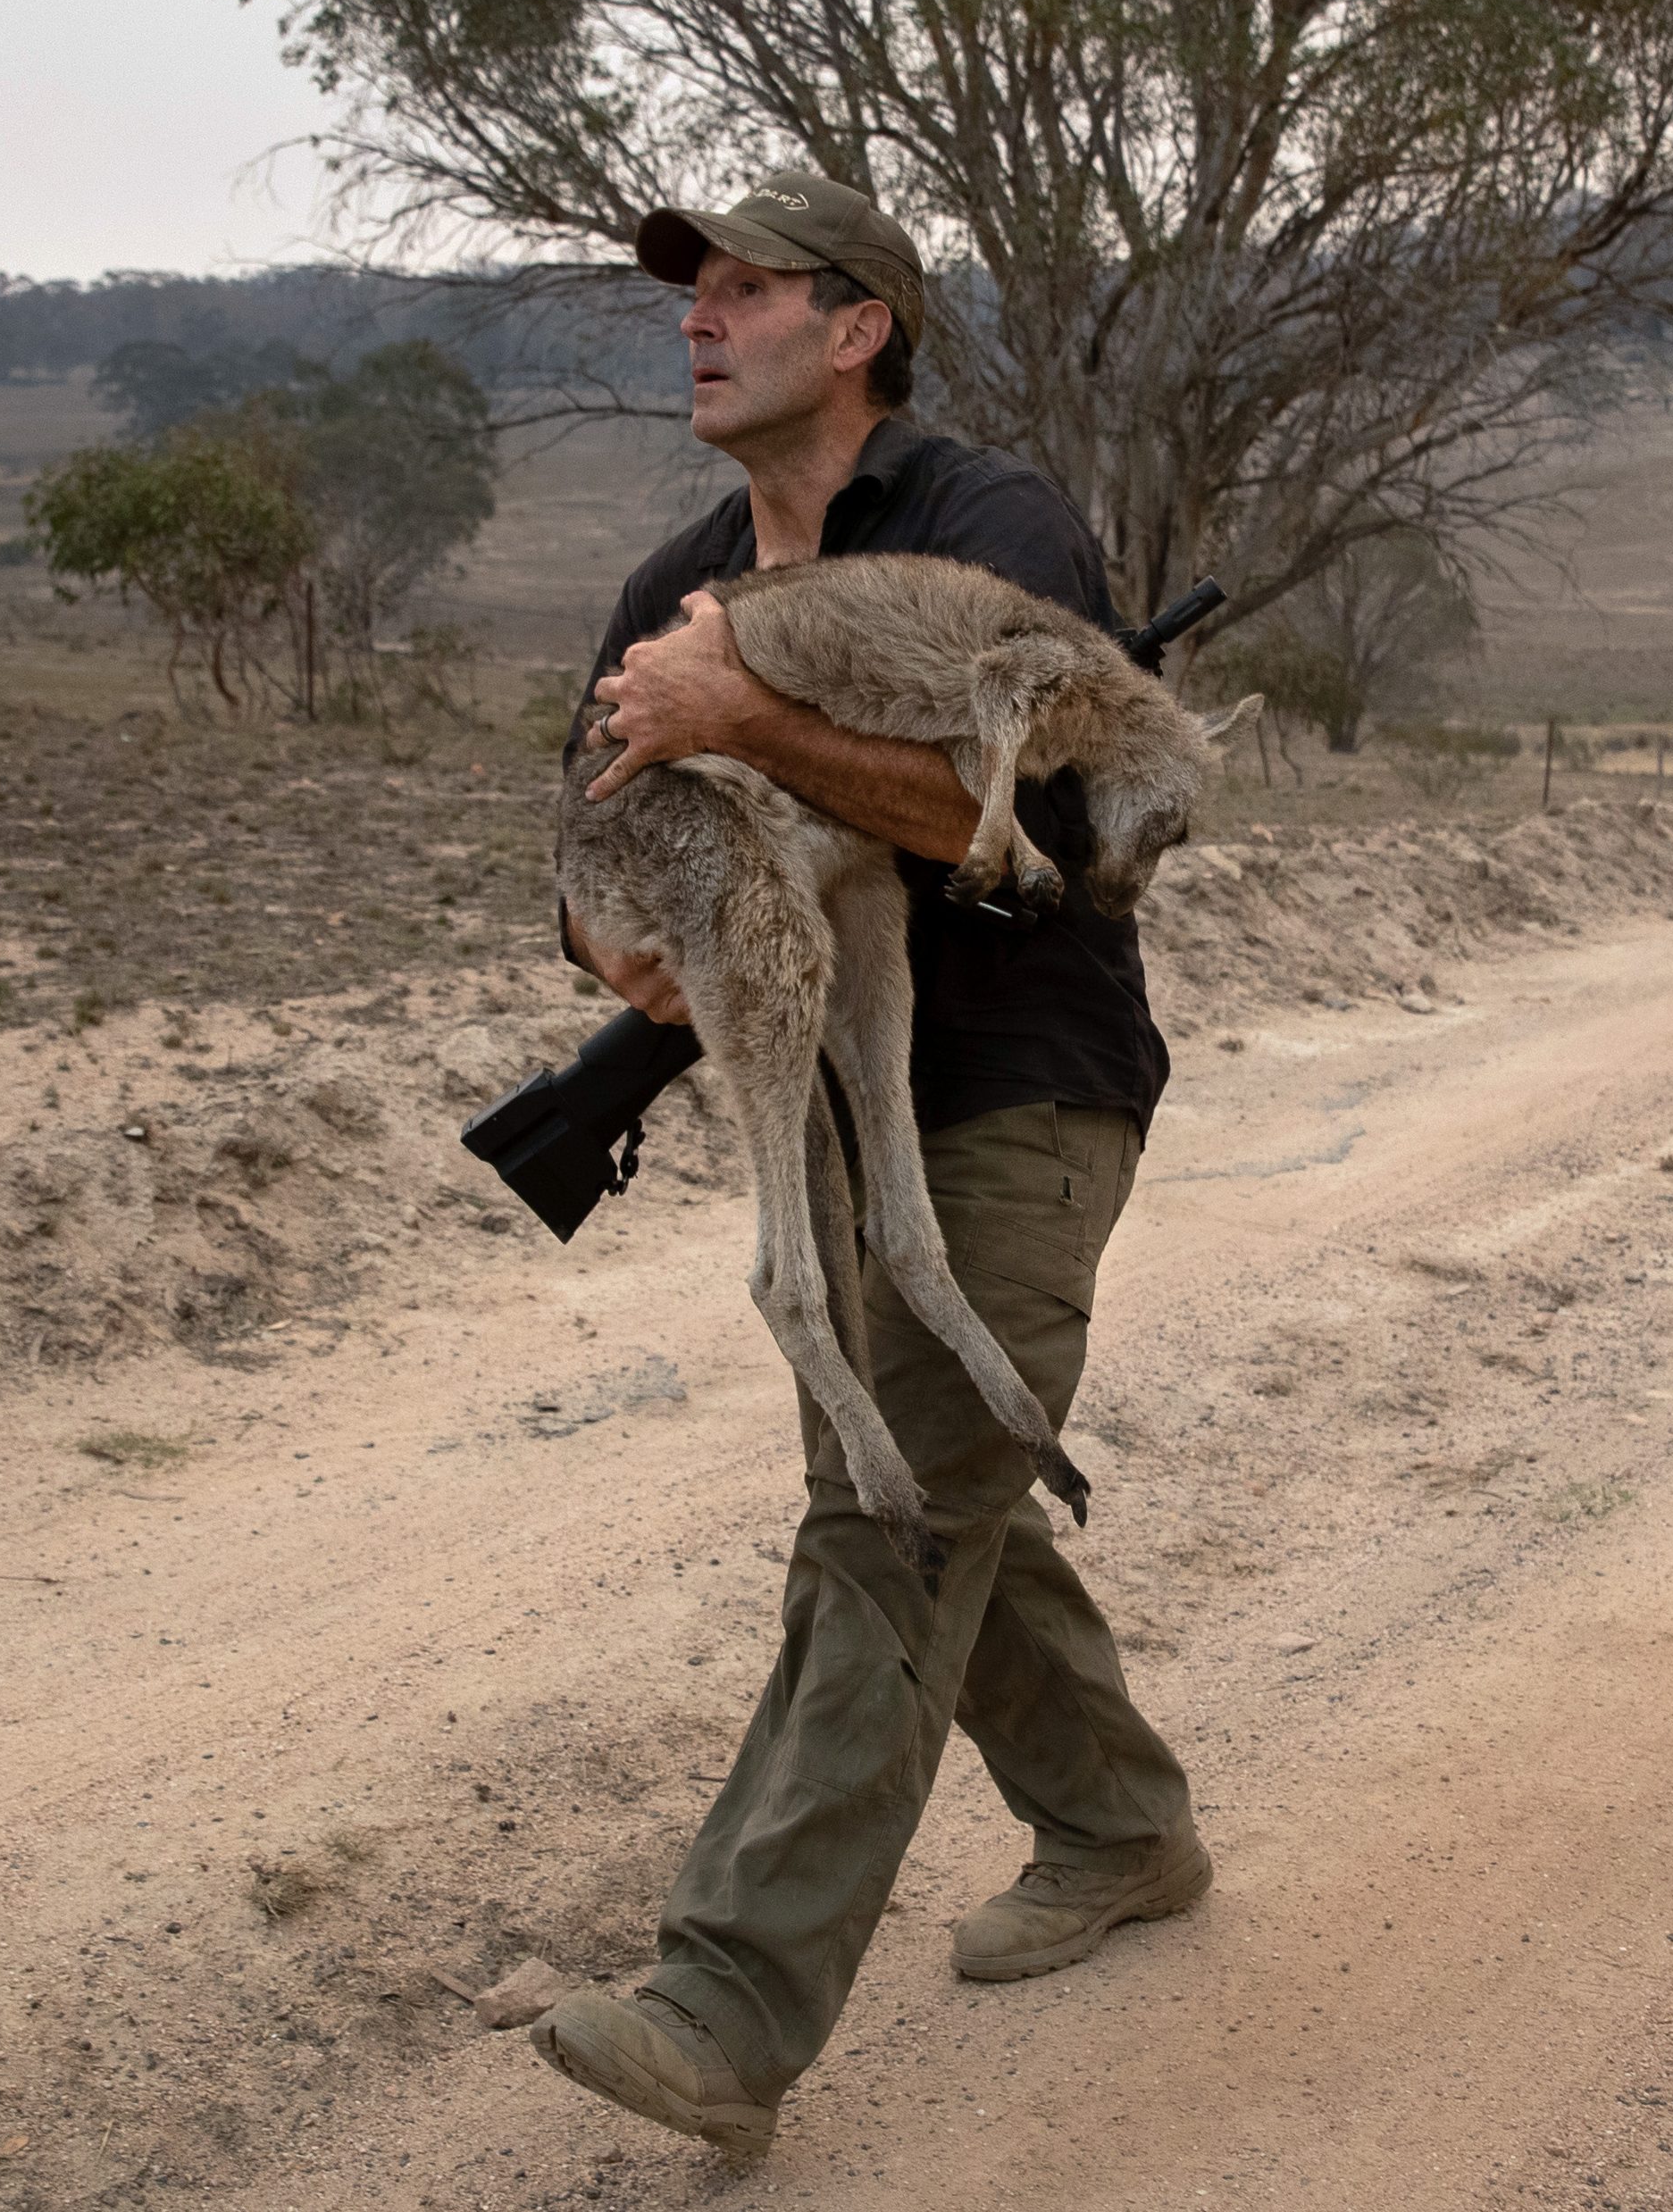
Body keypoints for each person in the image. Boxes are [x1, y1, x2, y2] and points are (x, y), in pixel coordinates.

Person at [529, 168, 1213, 2159]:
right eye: (691, 292)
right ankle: (1120, 1825)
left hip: (1019, 1081)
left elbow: (1035, 816)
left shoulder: (988, 525)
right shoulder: (670, 576)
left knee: (885, 1505)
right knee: (934, 1478)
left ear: (857, 329)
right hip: (819, 1093)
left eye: (746, 290)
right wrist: (608, 947)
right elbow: (587, 830)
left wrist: (742, 712)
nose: (697, 317)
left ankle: (723, 2005)